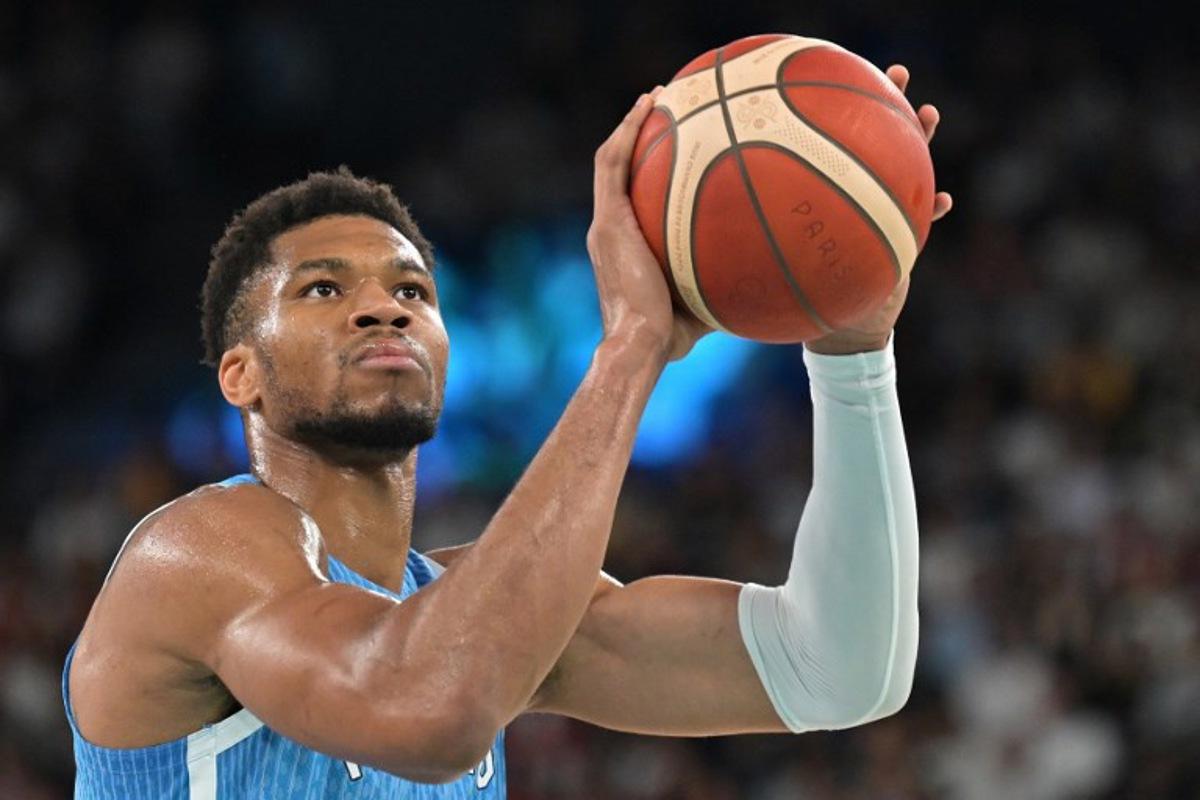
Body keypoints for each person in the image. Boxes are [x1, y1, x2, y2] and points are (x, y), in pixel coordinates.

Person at [63, 65, 952, 798]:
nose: (383, 309)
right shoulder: (198, 551)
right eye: (324, 290)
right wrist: (632, 348)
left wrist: (852, 358)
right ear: (239, 375)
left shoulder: (489, 618)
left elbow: (841, 670)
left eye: (412, 291)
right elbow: (426, 708)